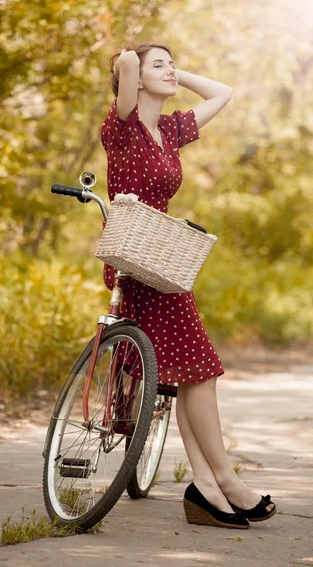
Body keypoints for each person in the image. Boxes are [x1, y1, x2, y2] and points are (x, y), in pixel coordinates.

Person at [101, 43, 276, 529]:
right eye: (162, 64)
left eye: (172, 62)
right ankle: (223, 479)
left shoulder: (173, 130)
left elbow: (224, 92)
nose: (171, 69)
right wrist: (134, 64)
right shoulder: (122, 126)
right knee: (201, 365)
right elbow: (128, 65)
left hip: (165, 258)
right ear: (134, 81)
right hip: (136, 260)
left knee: (195, 369)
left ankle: (206, 481)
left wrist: (176, 74)